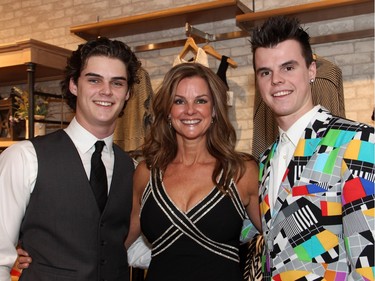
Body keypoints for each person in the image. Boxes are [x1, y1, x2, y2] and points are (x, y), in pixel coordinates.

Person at [0, 37, 141, 281]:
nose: (106, 91)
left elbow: (125, 247)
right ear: (74, 85)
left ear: (128, 93)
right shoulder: (24, 157)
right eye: (94, 80)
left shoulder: (133, 168)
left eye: (117, 83)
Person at [251, 16, 374, 281]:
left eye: (288, 67)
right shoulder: (264, 161)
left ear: (311, 71)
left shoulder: (357, 142)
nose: (276, 80)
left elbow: (369, 264)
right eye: (265, 72)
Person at [124, 62, 261, 281]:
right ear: (168, 110)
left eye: (201, 101)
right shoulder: (146, 172)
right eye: (179, 101)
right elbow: (121, 241)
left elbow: (277, 240)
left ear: (214, 109)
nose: (190, 110)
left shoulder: (241, 171)